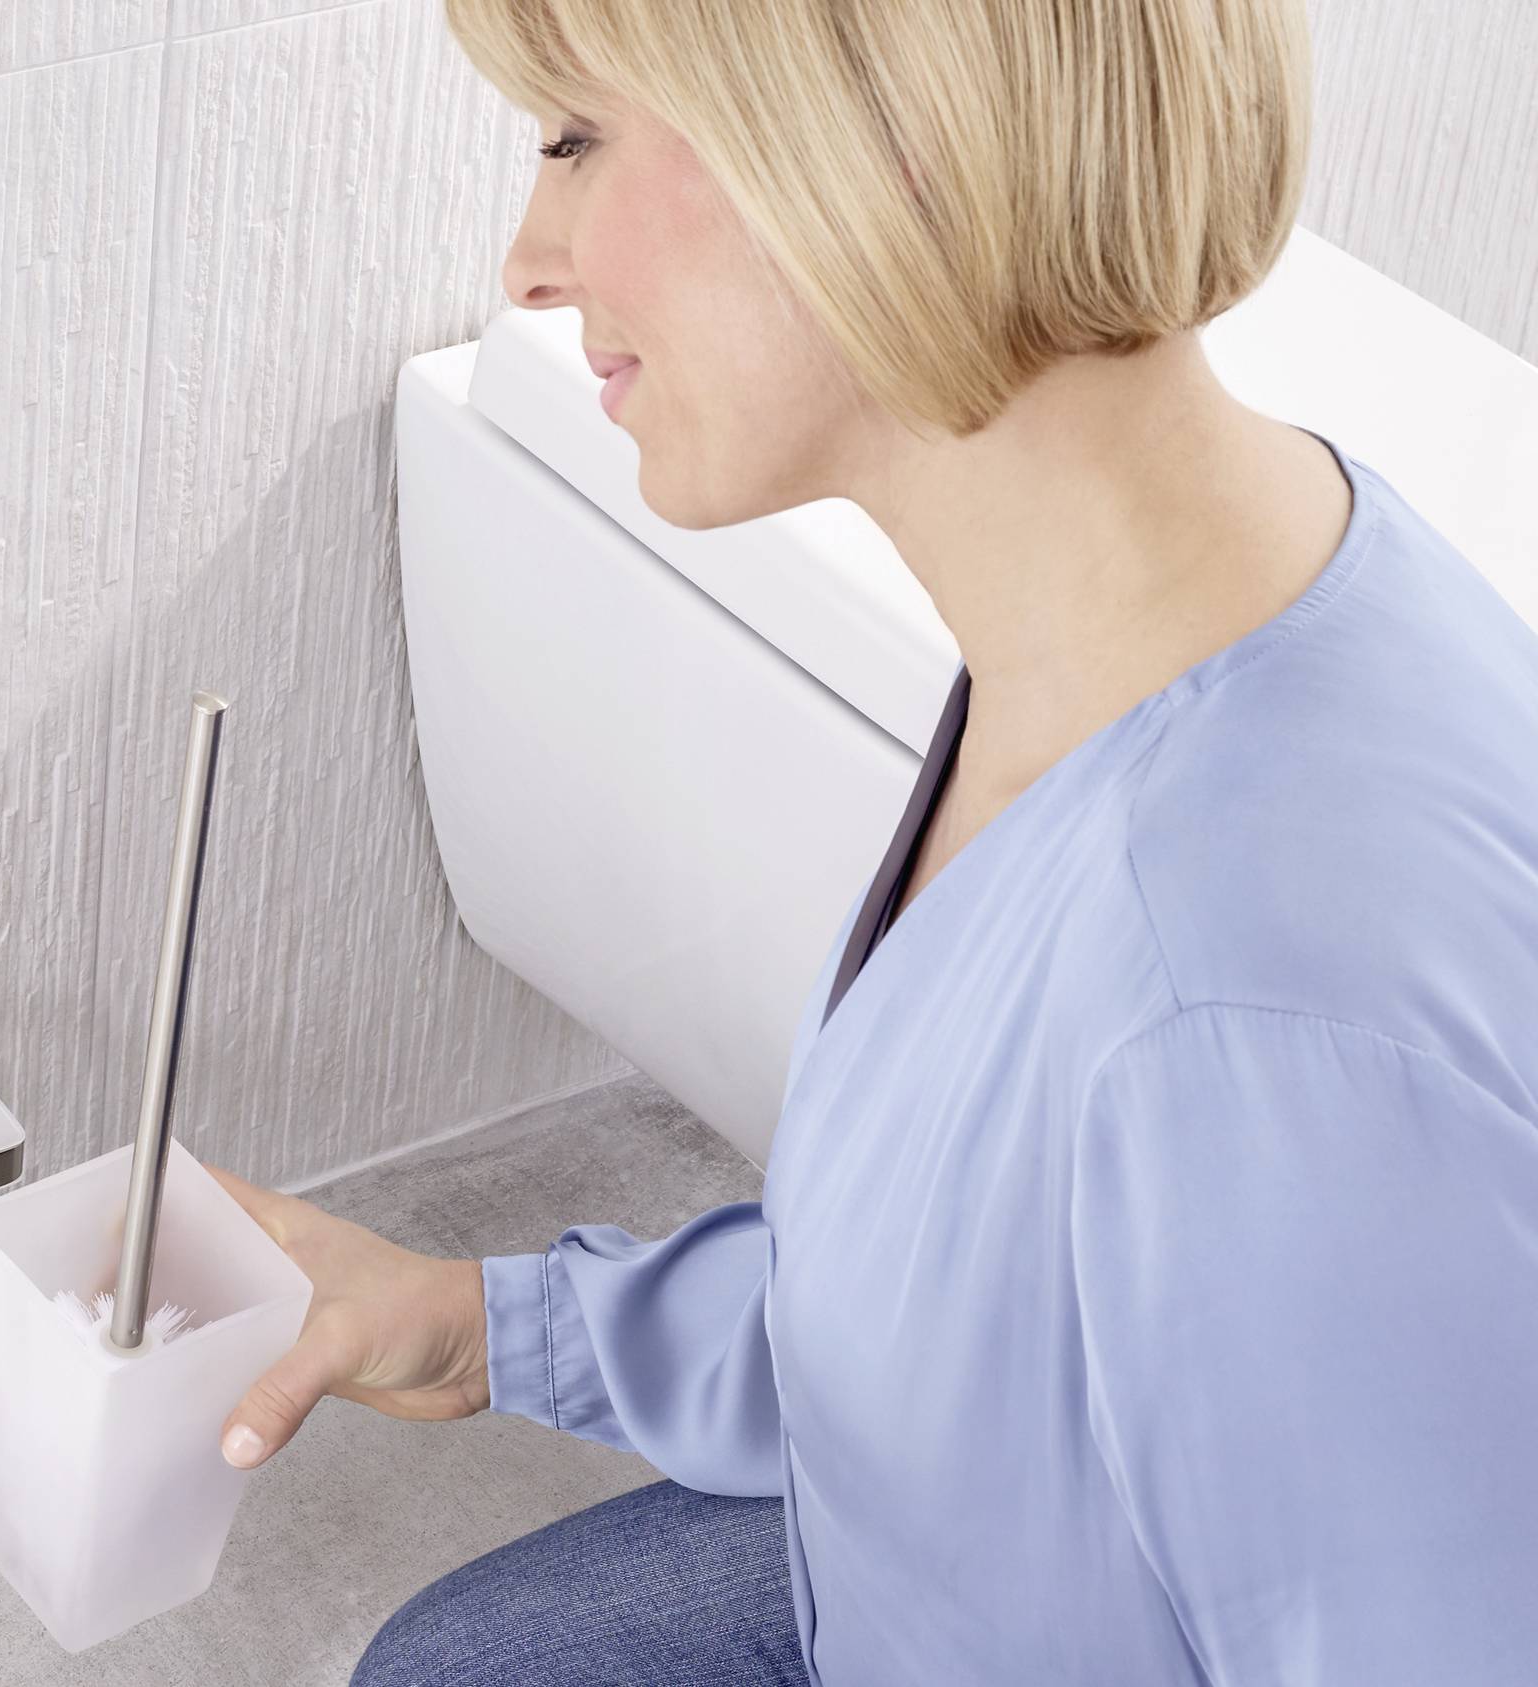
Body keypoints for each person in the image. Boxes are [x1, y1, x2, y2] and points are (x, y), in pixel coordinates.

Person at [201, 1, 1538, 1683]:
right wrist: (497, 1324)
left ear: (879, 148)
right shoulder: (1164, 631)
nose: (530, 260)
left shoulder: (1246, 1024)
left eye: (574, 140)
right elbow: (992, 1299)